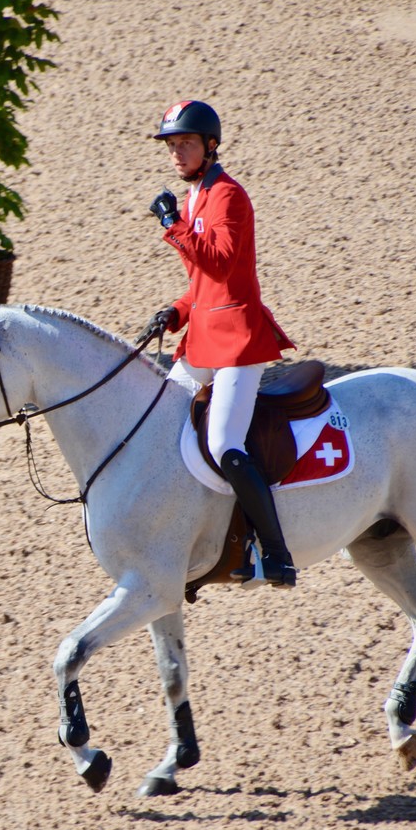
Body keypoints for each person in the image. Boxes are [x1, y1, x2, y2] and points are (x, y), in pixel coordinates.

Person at [143, 100, 298, 588]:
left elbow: (223, 265)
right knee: (158, 419)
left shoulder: (229, 196)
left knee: (224, 442)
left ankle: (275, 554)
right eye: (171, 146)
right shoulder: (193, 202)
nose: (176, 154)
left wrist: (174, 227)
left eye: (184, 144)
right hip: (201, 338)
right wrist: (177, 310)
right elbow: (201, 283)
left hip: (238, 342)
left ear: (211, 146)